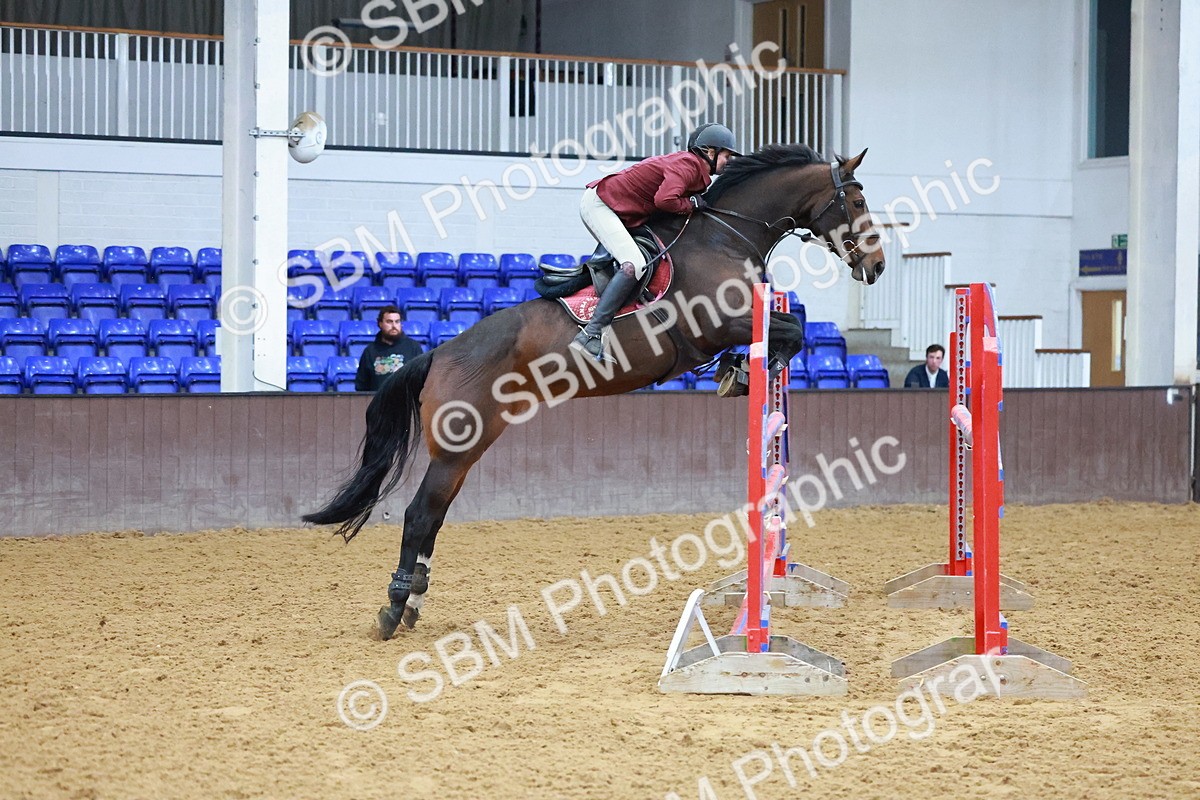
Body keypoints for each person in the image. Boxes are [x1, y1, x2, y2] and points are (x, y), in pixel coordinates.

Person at [570, 122, 740, 360]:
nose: (729, 160)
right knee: (634, 264)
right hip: (600, 205)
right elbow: (665, 200)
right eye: (727, 155)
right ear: (709, 152)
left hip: (620, 210)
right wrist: (690, 204)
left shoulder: (694, 169)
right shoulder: (689, 165)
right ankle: (591, 333)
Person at [355, 305, 424, 391]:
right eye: (389, 322)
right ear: (380, 324)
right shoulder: (370, 351)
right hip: (379, 402)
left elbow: (422, 379)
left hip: (405, 402)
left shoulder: (413, 348)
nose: (394, 326)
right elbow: (361, 386)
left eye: (397, 321)